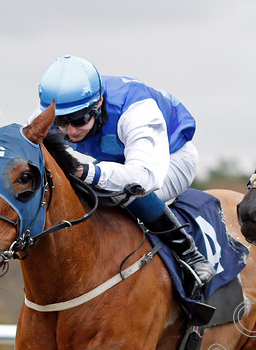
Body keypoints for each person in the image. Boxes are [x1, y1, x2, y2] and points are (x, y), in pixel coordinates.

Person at [34, 54, 215, 287]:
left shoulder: (138, 112)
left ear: (98, 104)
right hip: (121, 160)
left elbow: (144, 178)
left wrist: (88, 172)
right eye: (60, 122)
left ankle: (190, 254)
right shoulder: (47, 116)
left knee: (123, 191)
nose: (70, 131)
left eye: (78, 120)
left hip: (170, 159)